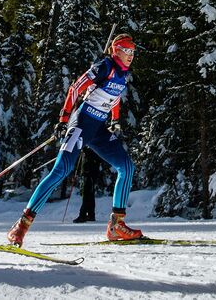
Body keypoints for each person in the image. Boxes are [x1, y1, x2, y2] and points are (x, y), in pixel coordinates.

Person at [7, 34, 141, 246]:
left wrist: (115, 120)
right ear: (116, 50)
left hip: (97, 128)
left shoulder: (123, 74)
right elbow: (76, 88)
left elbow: (114, 98)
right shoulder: (104, 66)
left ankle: (117, 225)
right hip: (81, 123)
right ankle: (21, 225)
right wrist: (63, 118)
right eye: (127, 50)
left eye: (133, 51)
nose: (131, 55)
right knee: (60, 171)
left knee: (126, 167)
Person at [73, 148, 100, 223]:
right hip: (89, 172)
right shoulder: (89, 149)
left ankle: (83, 215)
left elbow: (90, 159)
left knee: (86, 193)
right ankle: (91, 215)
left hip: (89, 173)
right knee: (90, 193)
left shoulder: (91, 149)